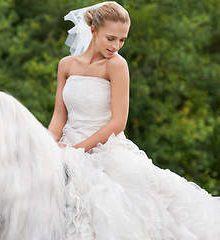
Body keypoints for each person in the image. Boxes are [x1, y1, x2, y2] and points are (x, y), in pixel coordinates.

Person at [48, 1, 220, 239]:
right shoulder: (66, 65)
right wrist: (47, 145)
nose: (116, 46)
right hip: (67, 144)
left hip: (105, 149)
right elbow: (59, 114)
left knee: (118, 210)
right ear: (93, 30)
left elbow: (118, 122)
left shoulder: (117, 65)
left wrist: (76, 152)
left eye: (122, 40)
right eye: (111, 38)